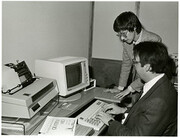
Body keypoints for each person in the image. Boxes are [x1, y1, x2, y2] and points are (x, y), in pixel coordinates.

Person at [97, 42, 177, 136]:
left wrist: (110, 122)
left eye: (135, 62)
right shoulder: (162, 83)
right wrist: (123, 110)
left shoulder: (158, 101)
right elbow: (143, 111)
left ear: (147, 67)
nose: (133, 65)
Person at [106, 11, 162, 103]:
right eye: (119, 35)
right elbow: (126, 64)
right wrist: (120, 88)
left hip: (152, 86)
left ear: (134, 28)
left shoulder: (153, 40)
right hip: (136, 82)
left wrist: (130, 88)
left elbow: (149, 72)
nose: (122, 38)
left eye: (124, 34)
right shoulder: (126, 43)